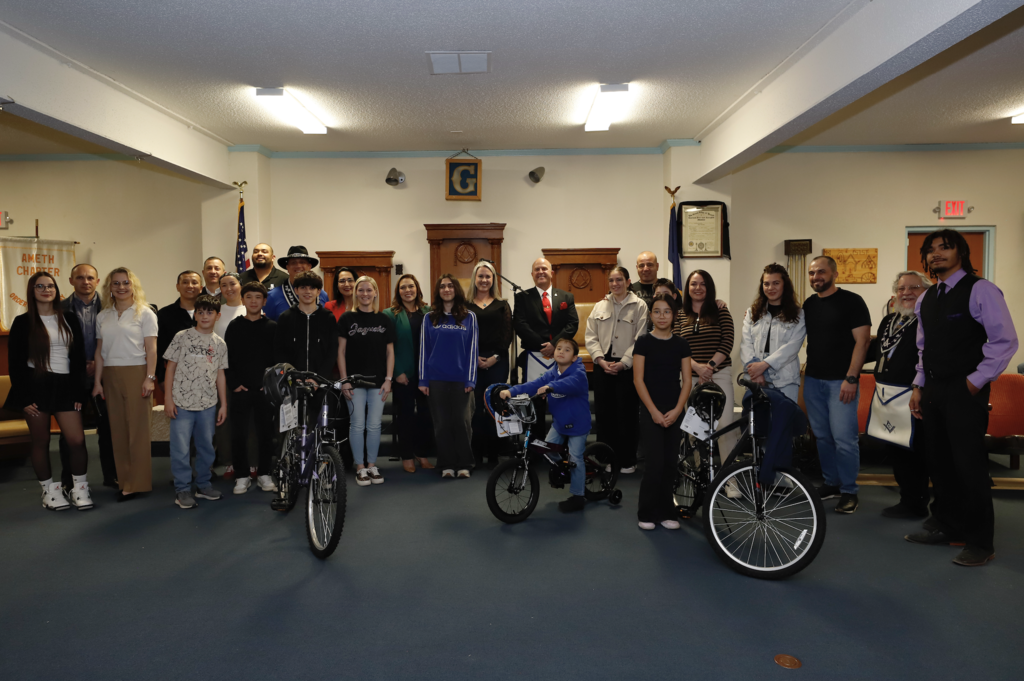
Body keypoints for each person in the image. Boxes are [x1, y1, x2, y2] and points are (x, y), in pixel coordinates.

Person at [907, 230, 1018, 566]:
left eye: (945, 247)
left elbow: (1004, 341)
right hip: (932, 391)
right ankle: (947, 525)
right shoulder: (927, 298)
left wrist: (974, 382)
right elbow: (924, 347)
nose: (936, 254)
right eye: (930, 250)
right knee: (938, 463)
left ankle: (981, 542)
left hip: (964, 390)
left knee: (968, 467)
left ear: (962, 252)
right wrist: (918, 384)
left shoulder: (981, 289)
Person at [5, 272, 91, 511]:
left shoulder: (70, 319)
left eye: (50, 285)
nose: (46, 289)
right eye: (40, 286)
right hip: (36, 385)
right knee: (41, 441)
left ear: (57, 290)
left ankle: (80, 488)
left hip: (66, 387)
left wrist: (78, 392)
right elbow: (16, 364)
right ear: (32, 291)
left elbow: (78, 358)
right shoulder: (23, 322)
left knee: (76, 441)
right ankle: (49, 491)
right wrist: (24, 397)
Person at [803, 255, 872, 515]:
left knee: (844, 439)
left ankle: (849, 491)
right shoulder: (809, 304)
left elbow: (862, 342)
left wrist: (852, 378)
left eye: (821, 272)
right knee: (822, 436)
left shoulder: (852, 302)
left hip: (841, 382)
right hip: (812, 380)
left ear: (834, 273)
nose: (815, 277)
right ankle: (831, 483)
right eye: (811, 273)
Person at [868, 270, 932, 519]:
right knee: (897, 450)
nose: (906, 293)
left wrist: (920, 388)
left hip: (912, 394)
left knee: (916, 451)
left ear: (925, 291)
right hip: (886, 395)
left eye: (913, 288)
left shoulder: (927, 320)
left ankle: (917, 504)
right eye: (901, 289)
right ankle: (907, 499)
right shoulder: (889, 321)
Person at [502, 337, 591, 513]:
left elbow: (568, 384)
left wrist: (550, 387)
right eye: (559, 348)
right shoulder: (553, 372)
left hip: (578, 423)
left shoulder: (579, 373)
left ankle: (578, 496)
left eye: (567, 350)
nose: (561, 351)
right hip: (560, 422)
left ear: (574, 357)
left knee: (575, 458)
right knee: (547, 449)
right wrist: (511, 390)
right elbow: (535, 384)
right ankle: (563, 469)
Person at [92, 267, 158, 501]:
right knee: (117, 430)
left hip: (137, 372)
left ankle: (138, 483)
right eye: (116, 283)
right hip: (110, 374)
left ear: (133, 286)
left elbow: (152, 349)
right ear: (109, 287)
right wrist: (97, 382)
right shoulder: (103, 316)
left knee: (137, 431)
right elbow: (99, 351)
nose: (121, 287)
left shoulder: (145, 313)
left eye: (126, 283)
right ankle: (125, 479)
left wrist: (150, 378)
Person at [163, 294, 228, 509]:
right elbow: (170, 367)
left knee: (206, 447)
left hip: (208, 405)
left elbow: (220, 375)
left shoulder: (219, 344)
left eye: (209, 312)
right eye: (200, 312)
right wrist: (168, 398)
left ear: (217, 316)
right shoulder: (182, 336)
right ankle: (182, 489)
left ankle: (203, 485)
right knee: (180, 449)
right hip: (181, 403)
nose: (205, 315)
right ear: (195, 315)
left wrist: (223, 404)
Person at [633, 294, 692, 530]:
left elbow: (687, 381)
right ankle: (646, 512)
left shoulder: (681, 344)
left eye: (667, 311)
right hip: (650, 410)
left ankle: (668, 511)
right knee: (654, 464)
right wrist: (654, 411)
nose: (662, 316)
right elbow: (638, 380)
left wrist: (678, 410)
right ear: (651, 315)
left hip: (674, 410)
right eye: (657, 311)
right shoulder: (644, 342)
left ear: (674, 315)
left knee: (670, 464)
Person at [676, 270, 739, 477]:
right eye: (694, 284)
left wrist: (709, 367)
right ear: (688, 288)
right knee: (694, 429)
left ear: (709, 287)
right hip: (690, 376)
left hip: (719, 374)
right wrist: (697, 367)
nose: (698, 288)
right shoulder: (679, 314)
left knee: (725, 426)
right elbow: (677, 346)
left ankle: (730, 480)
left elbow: (727, 341)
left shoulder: (720, 310)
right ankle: (698, 477)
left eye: (702, 284)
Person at [58, 263, 116, 490]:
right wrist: (81, 365)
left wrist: (96, 363)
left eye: (90, 277)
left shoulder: (111, 308)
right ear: (71, 281)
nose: (86, 282)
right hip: (71, 377)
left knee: (109, 430)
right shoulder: (58, 309)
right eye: (80, 278)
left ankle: (111, 476)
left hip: (105, 377)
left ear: (97, 281)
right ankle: (68, 480)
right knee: (70, 434)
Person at [585, 266, 648, 473]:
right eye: (611, 280)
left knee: (626, 414)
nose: (615, 284)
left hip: (627, 367)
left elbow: (641, 339)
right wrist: (600, 360)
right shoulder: (599, 306)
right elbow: (591, 336)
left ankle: (627, 460)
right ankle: (607, 458)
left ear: (628, 282)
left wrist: (624, 363)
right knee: (605, 415)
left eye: (619, 280)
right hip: (603, 365)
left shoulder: (639, 306)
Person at [420, 274, 478, 479]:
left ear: (456, 290)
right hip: (436, 379)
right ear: (438, 291)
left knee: (462, 422)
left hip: (461, 379)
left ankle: (464, 463)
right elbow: (424, 350)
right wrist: (423, 380)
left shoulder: (469, 316)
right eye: (442, 286)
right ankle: (446, 464)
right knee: (442, 424)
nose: (446, 289)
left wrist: (471, 378)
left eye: (450, 286)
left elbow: (473, 350)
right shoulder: (429, 318)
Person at [512, 258, 578, 439]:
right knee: (534, 403)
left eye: (544, 269)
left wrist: (555, 345)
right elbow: (520, 324)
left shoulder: (566, 297)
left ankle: (562, 446)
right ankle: (534, 446)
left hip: (562, 358)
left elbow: (572, 324)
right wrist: (544, 346)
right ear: (532, 274)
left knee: (561, 400)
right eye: (536, 269)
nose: (541, 272)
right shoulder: (522, 297)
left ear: (551, 273)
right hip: (534, 356)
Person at [338, 276, 395, 486]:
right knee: (357, 424)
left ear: (375, 293)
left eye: (368, 290)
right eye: (360, 290)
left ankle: (372, 465)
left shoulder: (384, 319)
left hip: (379, 381)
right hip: (354, 382)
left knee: (374, 425)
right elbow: (341, 351)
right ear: (355, 293)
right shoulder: (346, 319)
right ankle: (360, 467)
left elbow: (390, 352)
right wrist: (344, 380)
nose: (364, 294)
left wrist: (388, 379)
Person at [225, 282, 279, 494]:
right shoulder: (234, 326)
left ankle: (265, 474)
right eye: (249, 297)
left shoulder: (273, 327)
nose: (254, 301)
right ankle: (242, 475)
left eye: (258, 297)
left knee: (266, 434)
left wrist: (270, 386)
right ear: (243, 300)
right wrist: (234, 383)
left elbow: (276, 360)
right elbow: (227, 358)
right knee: (238, 434)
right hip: (240, 390)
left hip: (264, 391)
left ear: (264, 301)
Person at [383, 274, 435, 473]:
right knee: (405, 415)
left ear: (417, 289)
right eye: (403, 287)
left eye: (411, 286)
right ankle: (406, 456)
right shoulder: (391, 314)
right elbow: (388, 346)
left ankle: (422, 454)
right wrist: (396, 372)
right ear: (398, 291)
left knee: (425, 415)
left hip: (425, 373)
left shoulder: (428, 312)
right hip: (402, 373)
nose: (408, 290)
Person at [467, 261, 513, 468]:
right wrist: (474, 358)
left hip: (498, 361)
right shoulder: (465, 306)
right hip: (472, 362)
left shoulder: (502, 304)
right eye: (481, 276)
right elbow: (463, 336)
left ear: (493, 279)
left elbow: (507, 335)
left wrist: (495, 357)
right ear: (474, 279)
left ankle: (494, 454)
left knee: (495, 407)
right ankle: (476, 453)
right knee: (475, 409)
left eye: (488, 276)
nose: (484, 280)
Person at [739, 263, 806, 403]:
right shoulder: (752, 312)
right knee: (756, 423)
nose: (770, 288)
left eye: (776, 283)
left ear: (784, 285)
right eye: (766, 284)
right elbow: (746, 343)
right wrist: (755, 371)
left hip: (785, 379)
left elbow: (792, 347)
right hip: (754, 376)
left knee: (783, 422)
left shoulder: (798, 314)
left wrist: (764, 365)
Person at [273, 271, 339, 376]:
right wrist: (292, 377)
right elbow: (279, 351)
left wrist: (318, 379)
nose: (307, 291)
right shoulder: (285, 317)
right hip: (292, 382)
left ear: (318, 292)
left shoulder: (328, 318)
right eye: (303, 287)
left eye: (312, 288)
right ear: (296, 290)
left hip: (321, 382)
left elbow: (332, 352)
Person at [156, 271, 201, 382]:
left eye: (194, 282)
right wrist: (161, 378)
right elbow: (159, 348)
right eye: (185, 282)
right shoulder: (164, 314)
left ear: (201, 288)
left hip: (205, 376)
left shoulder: (209, 313)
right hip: (174, 376)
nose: (190, 286)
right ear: (177, 287)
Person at [264, 246, 329, 321]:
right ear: (287, 267)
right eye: (293, 262)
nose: (298, 266)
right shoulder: (272, 296)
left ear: (309, 266)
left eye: (302, 262)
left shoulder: (322, 295)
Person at [213, 272, 245, 338]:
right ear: (220, 289)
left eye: (232, 284)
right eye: (224, 285)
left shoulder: (251, 310)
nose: (229, 289)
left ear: (241, 286)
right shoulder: (215, 311)